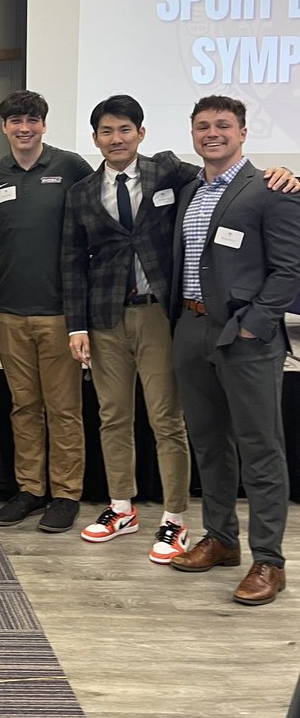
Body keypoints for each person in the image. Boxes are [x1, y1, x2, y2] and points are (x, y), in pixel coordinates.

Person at [62, 95, 297, 562]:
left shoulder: (173, 174)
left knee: (185, 425)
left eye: (125, 129)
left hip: (179, 318)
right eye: (107, 131)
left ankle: (202, 530)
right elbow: (72, 261)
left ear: (142, 133)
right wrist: (76, 325)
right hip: (132, 318)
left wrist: (286, 174)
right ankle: (137, 512)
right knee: (135, 421)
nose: (116, 138)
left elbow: (286, 260)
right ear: (95, 139)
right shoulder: (89, 192)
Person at [168, 95, 300, 605]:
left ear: (243, 133)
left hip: (245, 337)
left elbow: (289, 269)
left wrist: (254, 325)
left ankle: (268, 560)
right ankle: (221, 538)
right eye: (202, 125)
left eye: (223, 125)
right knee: (208, 442)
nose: (212, 133)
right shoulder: (190, 191)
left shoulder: (270, 188)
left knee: (260, 448)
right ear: (193, 134)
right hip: (191, 328)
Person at [0, 92, 92, 533]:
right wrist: (8, 251)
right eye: (15, 121)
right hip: (8, 309)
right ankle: (30, 489)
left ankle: (66, 494)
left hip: (59, 311)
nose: (24, 128)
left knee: (63, 408)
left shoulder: (71, 167)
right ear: (3, 127)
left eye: (32, 120)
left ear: (44, 125)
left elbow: (96, 218)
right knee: (23, 406)